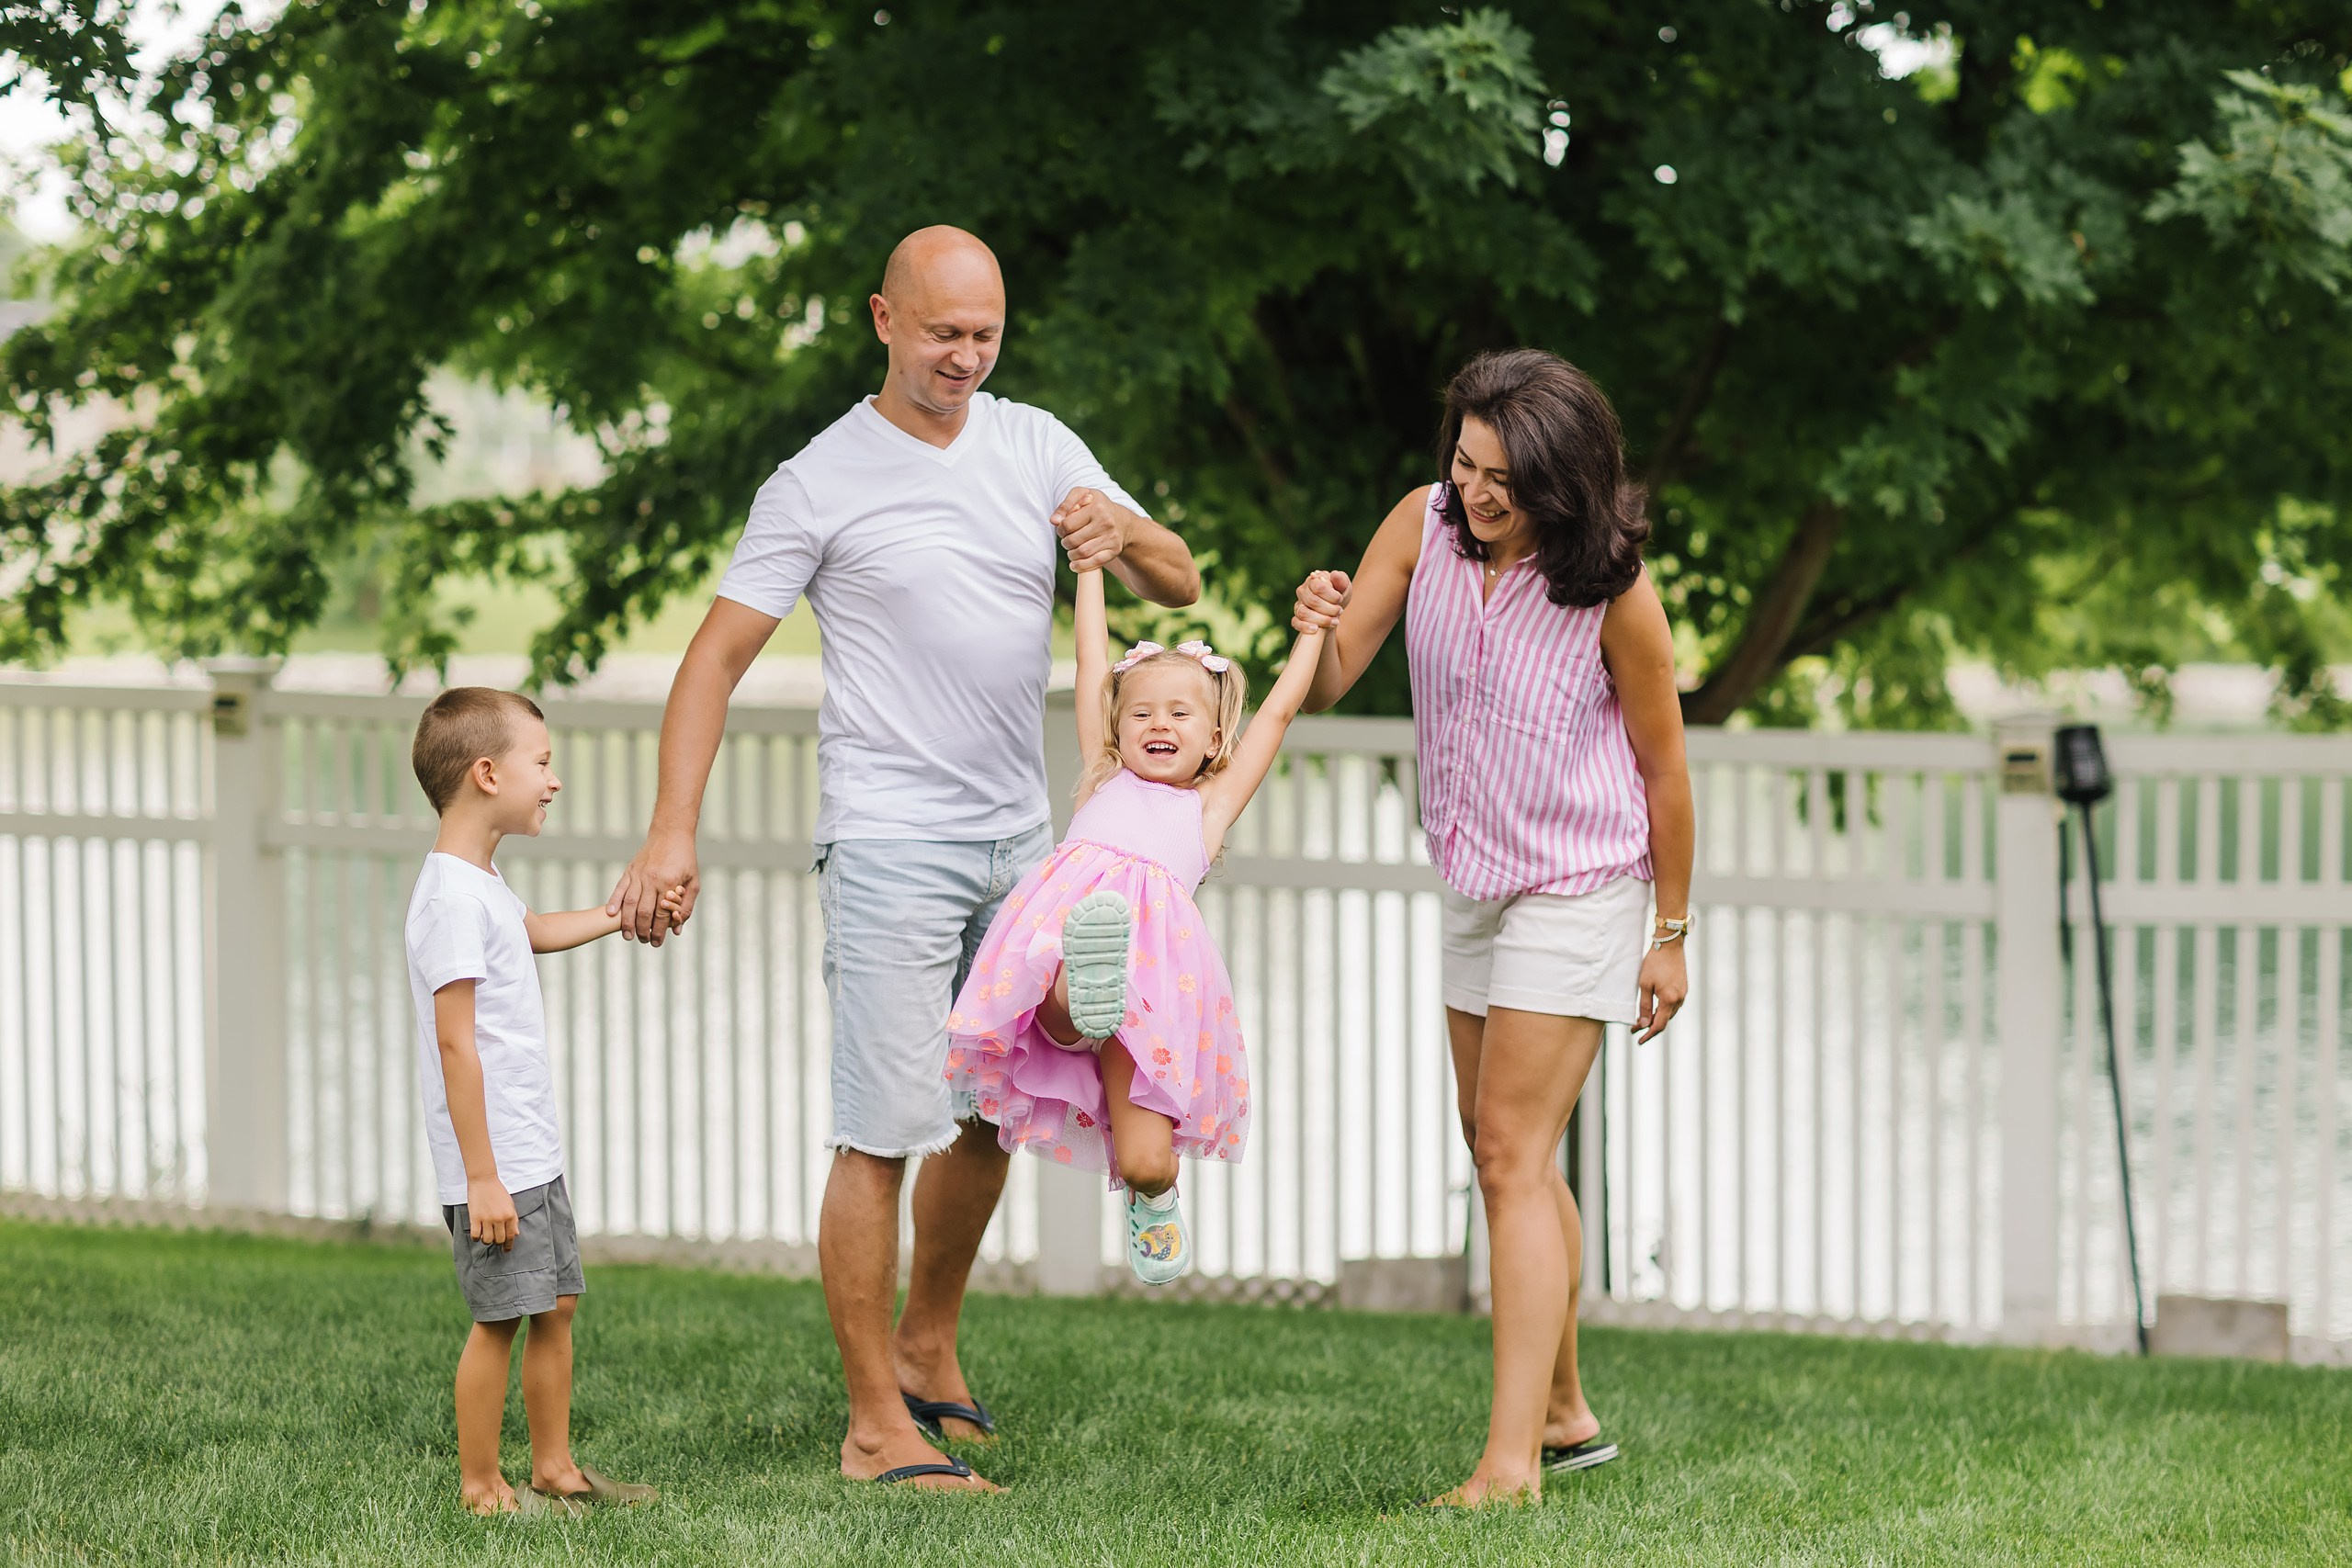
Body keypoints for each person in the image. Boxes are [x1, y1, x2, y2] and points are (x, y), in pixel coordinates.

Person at [603, 226, 1198, 1491]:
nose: (966, 359)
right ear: (883, 319)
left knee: (994, 1109)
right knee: (882, 1126)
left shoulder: (1037, 442)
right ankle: (876, 1422)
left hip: (1022, 838)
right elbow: (711, 660)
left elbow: (1179, 582)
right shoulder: (818, 479)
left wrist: (1116, 529)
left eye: (985, 335)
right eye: (942, 335)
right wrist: (670, 828)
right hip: (887, 840)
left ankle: (930, 1341)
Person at [1291, 348, 1693, 1507]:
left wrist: (1669, 931)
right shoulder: (1419, 526)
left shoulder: (1610, 591)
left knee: (1513, 1154)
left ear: (1560, 483)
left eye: (1501, 480)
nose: (1473, 493)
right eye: (1463, 464)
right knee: (1499, 1146)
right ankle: (1565, 1412)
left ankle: (1510, 1466)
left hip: (1580, 883)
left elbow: (1667, 774)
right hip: (1474, 876)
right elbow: (1334, 675)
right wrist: (1315, 622)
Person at [944, 566, 1324, 1280]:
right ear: (1118, 726)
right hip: (1067, 949)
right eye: (1143, 711)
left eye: (1181, 714)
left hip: (1154, 989)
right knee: (1058, 982)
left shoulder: (1208, 807)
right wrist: (1088, 568)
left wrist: (1313, 632)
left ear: (1214, 737)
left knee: (1147, 1158)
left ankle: (1154, 1194)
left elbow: (1275, 713)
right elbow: (1092, 657)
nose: (1159, 724)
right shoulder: (1103, 773)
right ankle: (1079, 993)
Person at [403, 686, 672, 1517]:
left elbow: (534, 932)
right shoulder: (448, 897)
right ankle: (482, 1486)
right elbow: (456, 1044)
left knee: (554, 1302)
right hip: (495, 1162)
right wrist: (481, 1177)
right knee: (501, 1318)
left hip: (528, 1149)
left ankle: (555, 1469)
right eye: (543, 762)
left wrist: (618, 911)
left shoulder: (480, 881)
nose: (553, 780)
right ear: (488, 773)